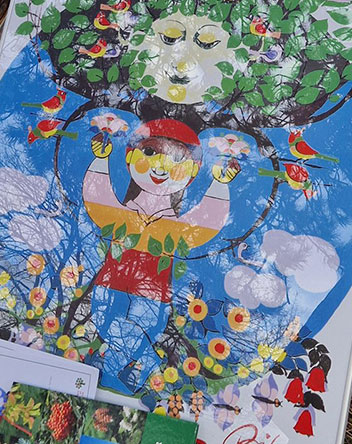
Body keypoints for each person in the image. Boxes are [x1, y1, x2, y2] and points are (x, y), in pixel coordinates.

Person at [82, 118, 239, 391]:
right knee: (107, 324)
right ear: (130, 157)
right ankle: (131, 366)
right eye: (150, 152)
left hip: (152, 294)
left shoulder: (175, 228)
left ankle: (127, 368)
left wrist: (219, 185)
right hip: (109, 284)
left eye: (177, 160)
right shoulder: (122, 215)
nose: (161, 167)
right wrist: (100, 160)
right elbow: (98, 200)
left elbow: (207, 221)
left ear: (192, 172)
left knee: (141, 330)